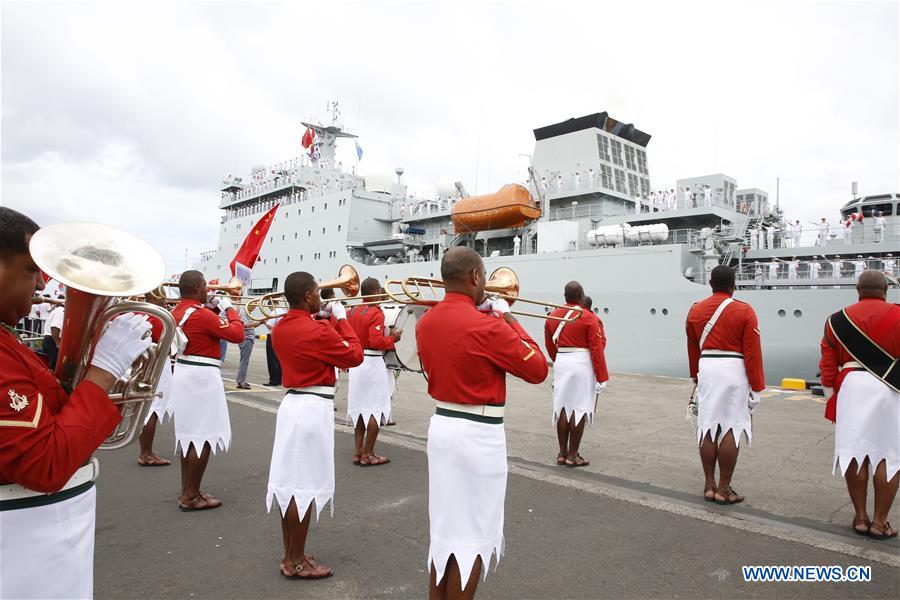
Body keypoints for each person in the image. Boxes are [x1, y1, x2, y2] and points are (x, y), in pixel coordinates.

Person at [0, 207, 151, 599]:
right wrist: (103, 371)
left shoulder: (8, 340)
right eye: (31, 270)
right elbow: (44, 463)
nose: (40, 285)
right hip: (24, 543)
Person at [416, 247, 548, 599]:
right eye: (485, 277)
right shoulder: (487, 325)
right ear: (475, 277)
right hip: (478, 435)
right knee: (471, 538)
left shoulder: (426, 321)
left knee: (445, 535)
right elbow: (537, 369)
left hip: (442, 428)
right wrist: (508, 319)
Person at [267, 271, 363, 578]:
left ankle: (291, 554)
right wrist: (342, 318)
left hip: (293, 405)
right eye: (317, 293)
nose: (322, 298)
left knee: (289, 486)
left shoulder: (282, 326)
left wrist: (325, 320)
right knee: (304, 487)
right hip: (312, 409)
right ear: (307, 296)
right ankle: (294, 562)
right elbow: (355, 355)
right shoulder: (318, 330)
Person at [819, 270, 899, 539]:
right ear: (886, 290)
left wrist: (832, 395)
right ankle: (880, 522)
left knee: (855, 452)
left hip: (851, 386)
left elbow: (827, 364)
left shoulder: (836, 320)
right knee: (888, 455)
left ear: (858, 290)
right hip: (890, 389)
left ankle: (860, 518)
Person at [685, 265, 764, 504]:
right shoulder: (744, 310)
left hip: (707, 365)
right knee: (732, 426)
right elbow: (753, 352)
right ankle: (724, 488)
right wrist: (757, 386)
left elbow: (692, 347)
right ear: (734, 284)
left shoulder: (695, 310)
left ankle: (709, 484)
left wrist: (696, 376)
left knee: (707, 425)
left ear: (710, 284)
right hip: (734, 368)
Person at [169, 271, 244, 510]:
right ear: (198, 287)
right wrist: (229, 308)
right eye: (205, 288)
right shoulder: (200, 314)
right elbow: (237, 334)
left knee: (189, 436)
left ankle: (187, 490)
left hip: (184, 372)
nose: (208, 292)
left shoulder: (176, 311)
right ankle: (190, 495)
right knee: (203, 436)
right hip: (202, 376)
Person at [544, 282, 608, 467]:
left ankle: (562, 453)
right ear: (581, 296)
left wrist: (560, 360)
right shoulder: (588, 317)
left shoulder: (552, 315)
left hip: (562, 361)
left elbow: (549, 345)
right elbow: (597, 348)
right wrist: (601, 377)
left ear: (565, 296)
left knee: (562, 408)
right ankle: (573, 455)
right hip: (582, 361)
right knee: (579, 409)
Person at [346, 278, 401, 466]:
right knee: (376, 409)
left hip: (356, 362)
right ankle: (368, 454)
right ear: (376, 291)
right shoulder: (376, 312)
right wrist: (393, 338)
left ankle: (358, 451)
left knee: (360, 408)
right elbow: (376, 341)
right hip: (372, 362)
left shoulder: (351, 311)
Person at [137, 292, 176, 467]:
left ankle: (145, 451)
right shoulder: (159, 319)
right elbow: (167, 345)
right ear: (154, 298)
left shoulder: (140, 314)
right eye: (162, 296)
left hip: (143, 365)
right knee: (154, 409)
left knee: (146, 409)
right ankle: (146, 453)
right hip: (158, 366)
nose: (166, 299)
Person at [235, 304, 263, 389]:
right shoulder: (244, 312)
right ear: (250, 305)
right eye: (253, 307)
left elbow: (252, 325)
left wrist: (261, 322)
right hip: (246, 338)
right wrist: (259, 322)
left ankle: (241, 380)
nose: (254, 309)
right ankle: (241, 381)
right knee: (244, 361)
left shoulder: (247, 313)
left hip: (248, 338)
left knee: (244, 361)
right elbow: (246, 325)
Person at [42, 295, 65, 369]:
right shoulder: (61, 311)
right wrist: (57, 342)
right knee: (53, 367)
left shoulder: (57, 310)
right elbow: (54, 327)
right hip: (52, 341)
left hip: (50, 340)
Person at [264, 316, 283, 386]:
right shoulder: (281, 311)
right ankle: (279, 379)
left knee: (271, 359)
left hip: (272, 336)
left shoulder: (273, 313)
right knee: (277, 359)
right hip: (279, 336)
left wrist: (264, 322)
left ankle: (274, 380)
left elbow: (270, 326)